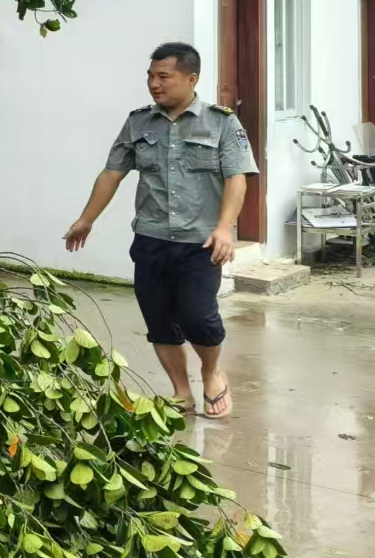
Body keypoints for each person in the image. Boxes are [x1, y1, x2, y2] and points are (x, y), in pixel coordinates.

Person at [63, 42, 257, 420]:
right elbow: (112, 173)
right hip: (151, 239)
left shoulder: (221, 122)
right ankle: (181, 392)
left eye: (163, 76)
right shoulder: (138, 122)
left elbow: (237, 178)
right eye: (150, 76)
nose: (154, 84)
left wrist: (224, 228)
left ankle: (212, 373)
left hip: (200, 242)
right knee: (160, 322)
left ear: (191, 78)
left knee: (199, 318)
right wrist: (87, 219)